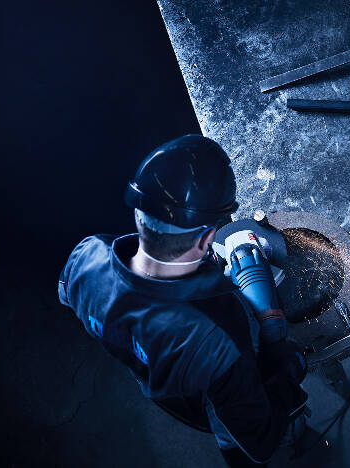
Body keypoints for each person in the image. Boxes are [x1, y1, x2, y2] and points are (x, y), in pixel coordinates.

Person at [58, 135, 308, 467]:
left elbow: (74, 295)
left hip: (161, 385)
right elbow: (260, 440)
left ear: (138, 215)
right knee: (242, 441)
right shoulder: (215, 343)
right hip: (210, 400)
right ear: (207, 238)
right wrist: (285, 363)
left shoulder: (85, 259)